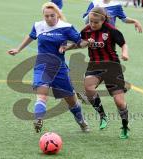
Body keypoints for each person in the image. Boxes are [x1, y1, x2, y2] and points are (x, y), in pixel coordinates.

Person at [7, 2, 89, 133]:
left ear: (58, 14)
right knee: (41, 96)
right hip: (42, 65)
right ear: (43, 16)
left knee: (71, 100)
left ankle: (82, 122)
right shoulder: (38, 25)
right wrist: (18, 49)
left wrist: (87, 42)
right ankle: (39, 119)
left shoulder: (66, 27)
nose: (49, 18)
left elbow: (80, 43)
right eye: (46, 16)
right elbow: (30, 36)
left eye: (52, 16)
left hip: (60, 68)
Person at [60, 7, 130, 139]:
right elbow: (78, 43)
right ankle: (103, 116)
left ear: (103, 20)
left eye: (95, 22)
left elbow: (123, 44)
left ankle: (125, 126)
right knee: (88, 88)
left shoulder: (112, 31)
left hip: (112, 66)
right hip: (94, 65)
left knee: (119, 102)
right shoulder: (86, 30)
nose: (92, 24)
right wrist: (66, 48)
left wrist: (125, 53)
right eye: (90, 21)